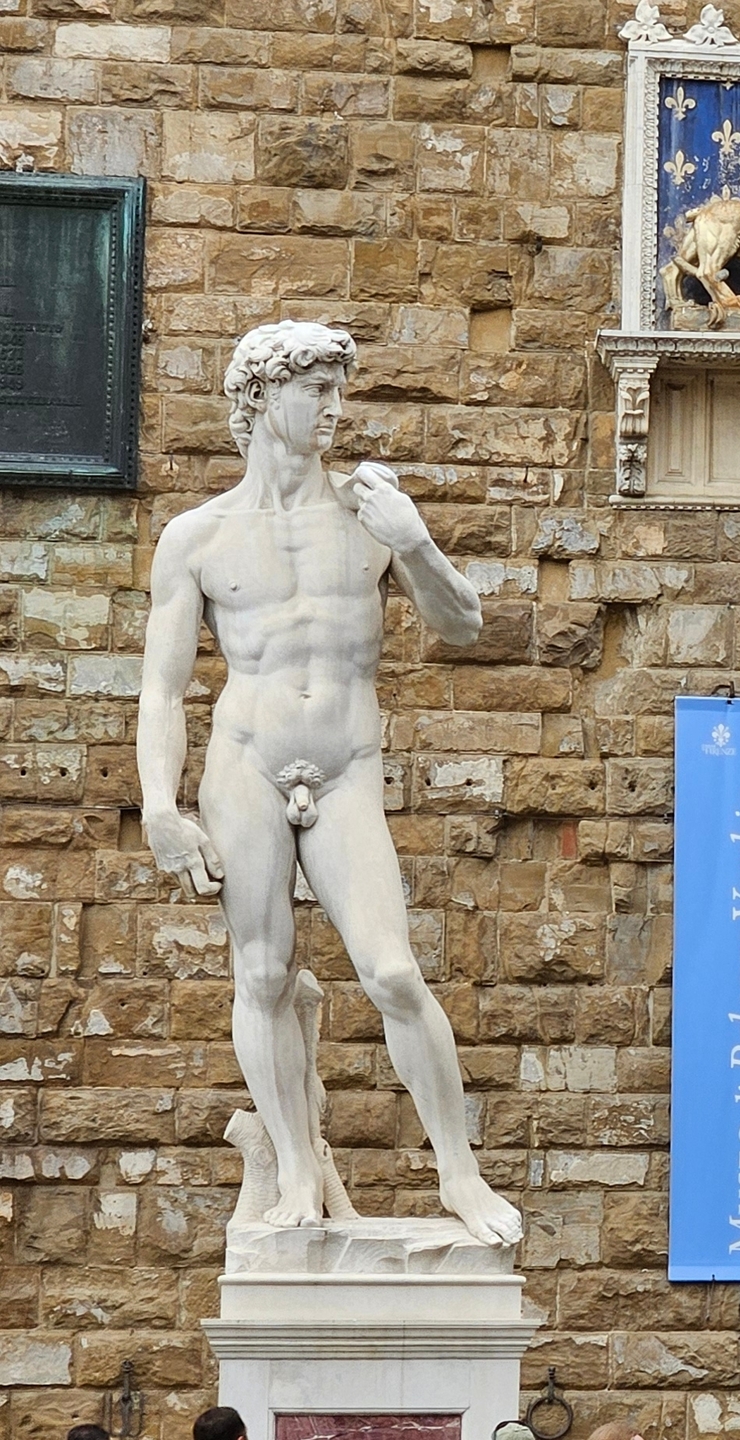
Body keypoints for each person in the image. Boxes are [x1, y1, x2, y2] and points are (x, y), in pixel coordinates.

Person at [138, 321, 516, 1244]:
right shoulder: (197, 537)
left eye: (340, 390)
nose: (335, 408)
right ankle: (298, 1167)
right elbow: (162, 688)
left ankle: (459, 1176)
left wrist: (416, 544)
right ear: (262, 397)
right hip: (246, 764)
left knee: (392, 970)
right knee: (264, 972)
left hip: (345, 769)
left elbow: (464, 624)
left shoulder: (370, 511)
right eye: (317, 390)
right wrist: (158, 806)